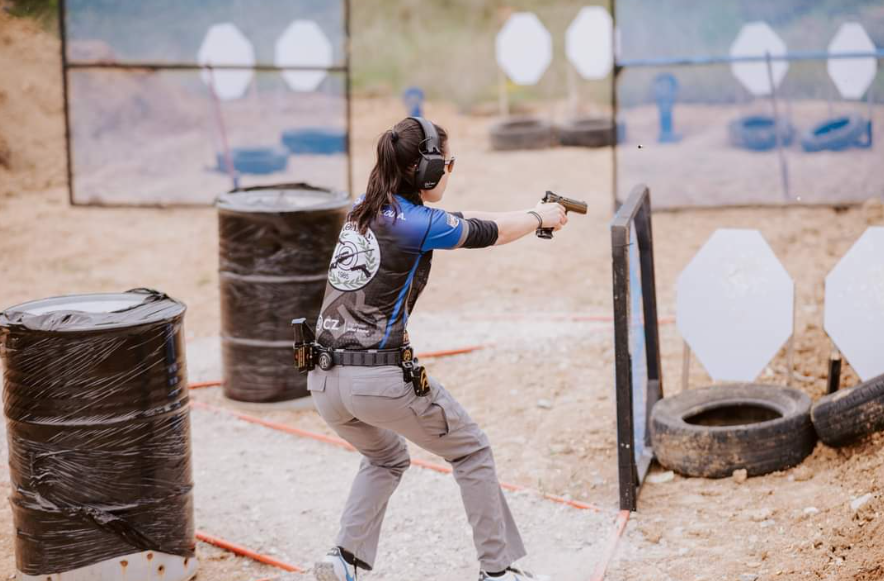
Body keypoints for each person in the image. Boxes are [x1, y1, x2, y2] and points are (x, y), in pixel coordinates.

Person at [308, 116, 569, 581]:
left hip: (324, 382)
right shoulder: (415, 223)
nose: (450, 171)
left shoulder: (361, 209)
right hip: (377, 380)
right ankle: (499, 570)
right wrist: (538, 219)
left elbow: (466, 219)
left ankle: (343, 560)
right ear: (424, 171)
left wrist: (530, 214)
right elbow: (488, 231)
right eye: (446, 163)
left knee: (386, 457)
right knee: (471, 451)